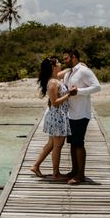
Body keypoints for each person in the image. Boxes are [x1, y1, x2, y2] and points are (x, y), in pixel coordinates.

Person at [61, 48, 101, 185]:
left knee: (79, 144)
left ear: (73, 57)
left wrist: (79, 91)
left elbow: (97, 87)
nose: (64, 61)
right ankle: (74, 171)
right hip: (70, 114)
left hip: (81, 113)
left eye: (66, 58)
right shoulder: (69, 73)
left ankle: (80, 175)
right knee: (72, 144)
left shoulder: (84, 71)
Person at [29, 56, 71, 179]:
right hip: (57, 116)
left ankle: (35, 166)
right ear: (53, 67)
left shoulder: (56, 79)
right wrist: (69, 94)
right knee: (58, 146)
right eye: (58, 63)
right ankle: (56, 173)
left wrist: (76, 67)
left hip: (57, 116)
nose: (60, 64)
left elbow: (66, 71)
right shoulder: (53, 82)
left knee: (52, 144)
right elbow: (55, 102)